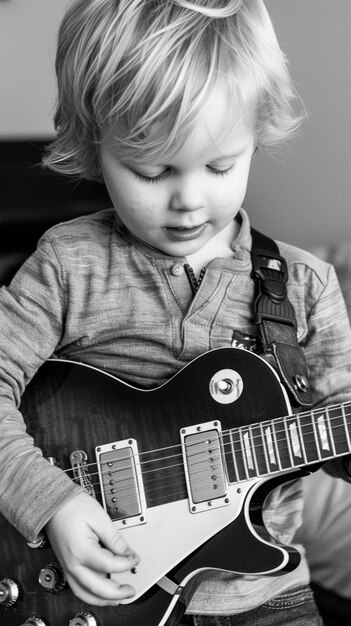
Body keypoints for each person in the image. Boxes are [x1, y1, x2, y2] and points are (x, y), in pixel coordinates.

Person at [0, 0, 351, 624]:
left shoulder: (305, 286)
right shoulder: (67, 265)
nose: (190, 200)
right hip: (87, 592)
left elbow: (338, 428)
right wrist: (53, 504)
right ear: (92, 144)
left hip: (262, 598)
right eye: (151, 170)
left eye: (220, 165)